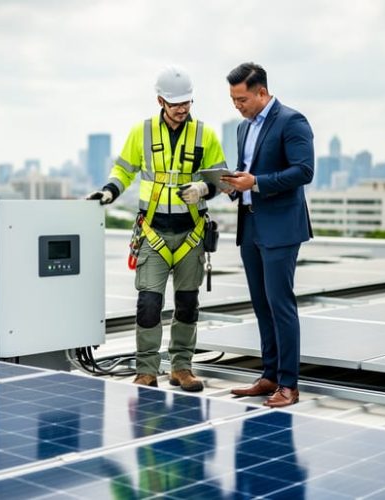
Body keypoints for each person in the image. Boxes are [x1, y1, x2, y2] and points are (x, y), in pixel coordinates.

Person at [87, 65, 227, 392]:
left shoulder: (205, 134)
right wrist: (109, 191)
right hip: (153, 231)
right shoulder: (143, 132)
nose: (182, 109)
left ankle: (182, 368)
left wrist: (204, 190)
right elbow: (124, 169)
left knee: (187, 303)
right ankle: (146, 370)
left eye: (187, 103)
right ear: (160, 100)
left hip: (191, 232)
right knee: (148, 304)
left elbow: (220, 176)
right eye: (176, 103)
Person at [222, 62, 314, 408]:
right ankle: (270, 375)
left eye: (242, 99)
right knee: (261, 305)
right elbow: (247, 172)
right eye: (233, 100)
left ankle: (289, 384)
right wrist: (232, 186)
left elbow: (303, 171)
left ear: (261, 92)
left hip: (280, 228)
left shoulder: (292, 121)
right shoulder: (243, 128)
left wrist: (257, 183)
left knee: (280, 304)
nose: (237, 106)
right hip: (250, 224)